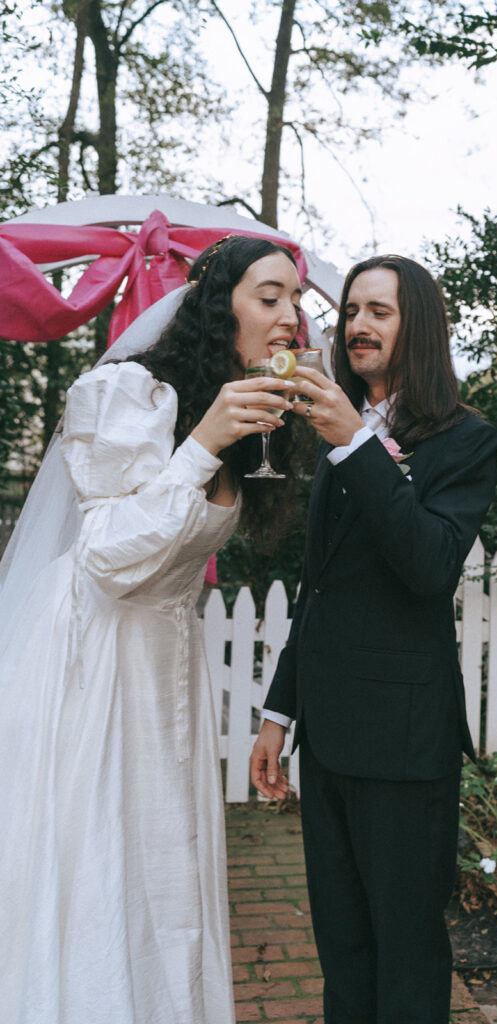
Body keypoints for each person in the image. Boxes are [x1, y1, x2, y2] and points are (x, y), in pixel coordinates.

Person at [0, 235, 302, 1024]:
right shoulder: (128, 393)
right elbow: (106, 556)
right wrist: (201, 444)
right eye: (269, 297)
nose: (290, 318)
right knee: (100, 867)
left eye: (296, 302)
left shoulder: (246, 410)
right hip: (95, 664)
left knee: (164, 873)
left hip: (166, 665)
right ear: (216, 302)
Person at [250, 254, 497, 1024]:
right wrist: (279, 714)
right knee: (344, 950)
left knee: (407, 952)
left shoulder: (465, 440)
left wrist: (358, 446)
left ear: (416, 326)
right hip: (327, 738)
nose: (357, 324)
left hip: (403, 741)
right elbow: (320, 589)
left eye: (379, 312)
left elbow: (428, 567)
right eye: (352, 309)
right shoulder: (337, 431)